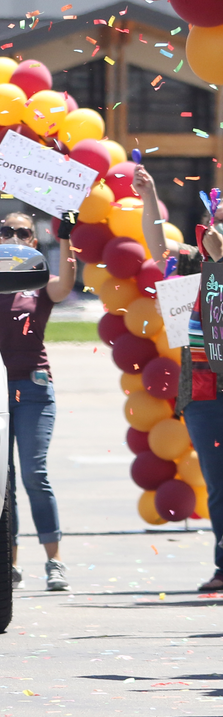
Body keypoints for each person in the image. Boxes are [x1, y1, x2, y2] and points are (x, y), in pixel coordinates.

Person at [134, 165, 223, 591]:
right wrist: (149, 195)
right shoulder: (194, 262)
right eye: (216, 219)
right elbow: (157, 248)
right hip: (205, 390)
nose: (216, 227)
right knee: (217, 481)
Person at [0, 210, 77, 591]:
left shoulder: (39, 285)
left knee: (35, 474)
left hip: (34, 389)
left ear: (33, 243)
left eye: (23, 232)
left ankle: (54, 561)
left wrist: (66, 238)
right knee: (3, 481)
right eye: (7, 230)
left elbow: (66, 285)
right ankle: (11, 563)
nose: (14, 237)